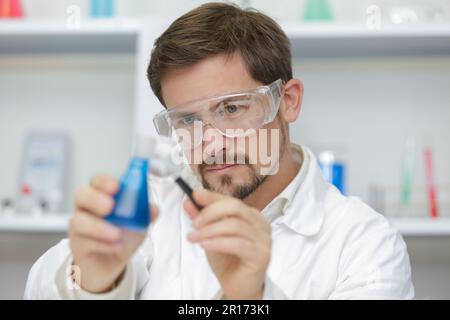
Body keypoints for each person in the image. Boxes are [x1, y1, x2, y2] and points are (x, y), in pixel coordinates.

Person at [24, 2, 414, 299]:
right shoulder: (152, 210)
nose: (209, 143)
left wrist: (252, 295)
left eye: (231, 109)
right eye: (187, 120)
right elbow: (44, 285)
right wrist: (96, 279)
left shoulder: (364, 243)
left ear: (288, 101)